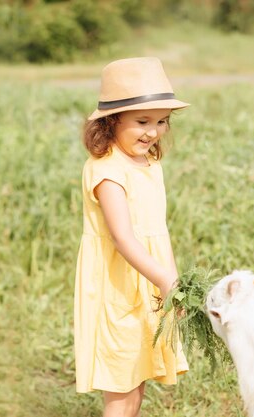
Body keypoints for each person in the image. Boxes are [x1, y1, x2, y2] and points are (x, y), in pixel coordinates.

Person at [74, 57, 189, 417]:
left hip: (148, 281)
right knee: (121, 391)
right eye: (142, 121)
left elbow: (158, 231)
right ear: (112, 121)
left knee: (137, 379)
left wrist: (172, 282)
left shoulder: (150, 164)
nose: (152, 132)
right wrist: (164, 278)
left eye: (161, 121)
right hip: (118, 287)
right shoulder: (108, 170)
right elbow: (123, 239)